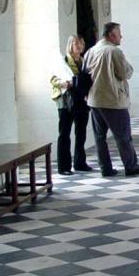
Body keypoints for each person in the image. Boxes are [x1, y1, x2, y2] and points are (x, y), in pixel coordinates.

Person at [83, 22, 139, 178]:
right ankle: (131, 166)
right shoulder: (114, 51)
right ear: (111, 35)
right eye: (119, 33)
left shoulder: (91, 51)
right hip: (113, 100)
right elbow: (125, 73)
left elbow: (85, 73)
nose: (121, 36)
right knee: (123, 136)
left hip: (94, 100)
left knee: (100, 138)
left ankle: (105, 168)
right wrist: (128, 67)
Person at [50, 35, 92, 176]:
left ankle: (80, 163)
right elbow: (53, 79)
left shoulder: (84, 61)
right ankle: (64, 166)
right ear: (70, 45)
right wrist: (63, 84)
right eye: (76, 43)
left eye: (81, 43)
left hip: (81, 100)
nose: (79, 46)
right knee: (64, 133)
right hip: (66, 100)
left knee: (81, 132)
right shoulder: (63, 61)